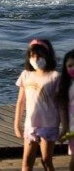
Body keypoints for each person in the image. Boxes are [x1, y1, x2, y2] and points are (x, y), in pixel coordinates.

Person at [14, 39, 60, 171]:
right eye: (32, 56)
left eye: (39, 56)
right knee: (26, 163)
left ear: (47, 56)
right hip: (30, 124)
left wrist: (65, 126)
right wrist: (17, 125)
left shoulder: (55, 76)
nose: (35, 59)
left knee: (46, 161)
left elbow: (61, 104)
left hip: (49, 124)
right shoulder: (26, 75)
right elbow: (20, 102)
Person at [57, 49, 74, 171]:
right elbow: (63, 108)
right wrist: (64, 128)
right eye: (70, 66)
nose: (72, 68)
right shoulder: (65, 86)